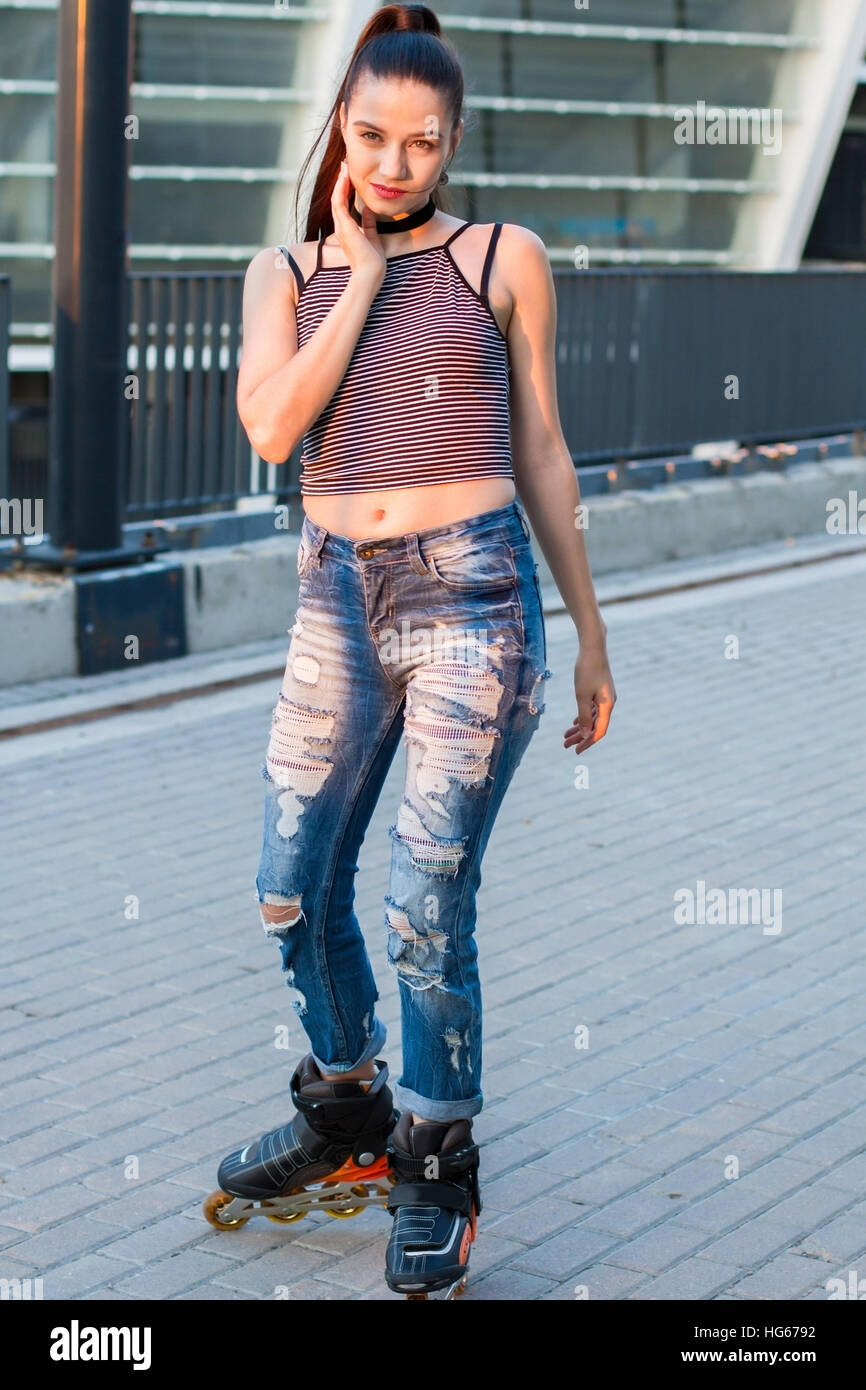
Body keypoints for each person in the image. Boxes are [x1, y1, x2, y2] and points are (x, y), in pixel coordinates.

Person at [213, 2, 616, 1298]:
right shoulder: (282, 272)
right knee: (289, 885)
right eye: (373, 136)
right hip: (334, 595)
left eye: (423, 145)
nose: (394, 165)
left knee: (421, 903)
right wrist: (364, 279)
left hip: (473, 596)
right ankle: (346, 1106)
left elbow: (543, 450)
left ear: (451, 146)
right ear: (339, 125)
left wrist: (593, 633)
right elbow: (274, 430)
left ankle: (435, 1156)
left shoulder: (504, 256)